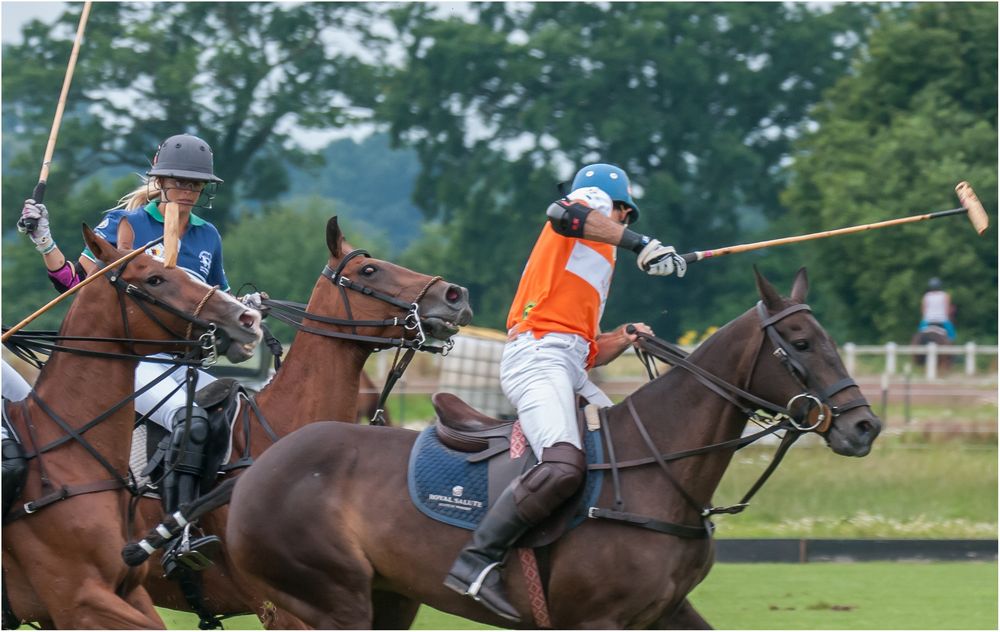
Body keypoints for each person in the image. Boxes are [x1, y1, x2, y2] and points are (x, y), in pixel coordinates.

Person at [443, 163, 685, 621]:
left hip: (566, 363)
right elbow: (562, 211)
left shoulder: (592, 264)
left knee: (622, 457)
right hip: (537, 358)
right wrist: (643, 245)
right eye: (626, 216)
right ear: (615, 207)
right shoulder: (587, 207)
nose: (625, 225)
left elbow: (587, 353)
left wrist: (624, 336)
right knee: (561, 464)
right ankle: (475, 562)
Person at [15, 133, 263, 568]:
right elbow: (78, 285)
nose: (188, 190)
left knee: (245, 414)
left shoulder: (208, 236)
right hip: (138, 360)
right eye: (179, 181)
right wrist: (45, 243)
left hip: (187, 360)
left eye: (196, 184)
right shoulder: (126, 224)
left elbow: (216, 300)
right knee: (191, 419)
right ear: (160, 179)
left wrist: (243, 310)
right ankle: (175, 535)